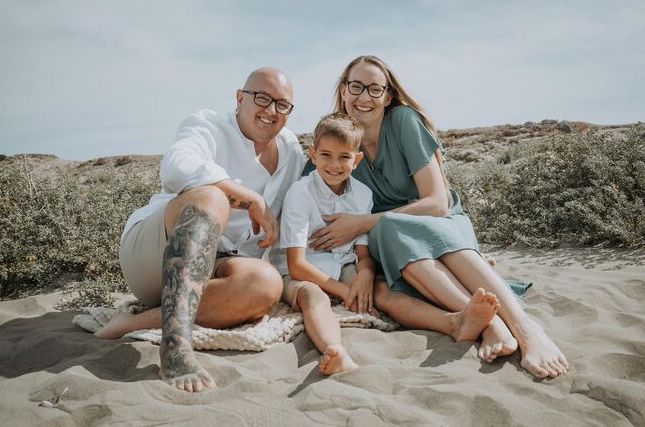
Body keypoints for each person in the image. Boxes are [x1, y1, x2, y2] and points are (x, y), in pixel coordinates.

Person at [305, 55, 569, 379]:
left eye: (375, 89)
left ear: (387, 96)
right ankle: (488, 322)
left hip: (441, 225)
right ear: (343, 91)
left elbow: (436, 203)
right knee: (388, 232)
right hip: (394, 243)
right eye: (356, 87)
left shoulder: (402, 121)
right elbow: (306, 189)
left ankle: (527, 329)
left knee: (387, 226)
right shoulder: (337, 143)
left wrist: (361, 223)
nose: (364, 97)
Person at [95, 67, 305, 393]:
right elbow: (176, 169)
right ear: (240, 98)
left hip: (218, 264)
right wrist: (249, 199)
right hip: (154, 250)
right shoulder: (208, 125)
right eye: (262, 98)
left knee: (265, 282)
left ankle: (135, 323)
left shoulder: (292, 153)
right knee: (212, 196)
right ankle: (176, 345)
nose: (271, 111)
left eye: (282, 104)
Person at [272, 113, 502, 375]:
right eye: (325, 155)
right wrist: (345, 292)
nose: (334, 164)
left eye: (344, 157)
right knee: (313, 296)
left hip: (346, 264)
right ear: (312, 155)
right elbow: (297, 264)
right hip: (303, 271)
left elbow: (362, 250)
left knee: (381, 293)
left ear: (356, 160)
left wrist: (366, 274)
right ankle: (334, 350)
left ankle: (453, 323)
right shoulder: (300, 193)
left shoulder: (362, 193)